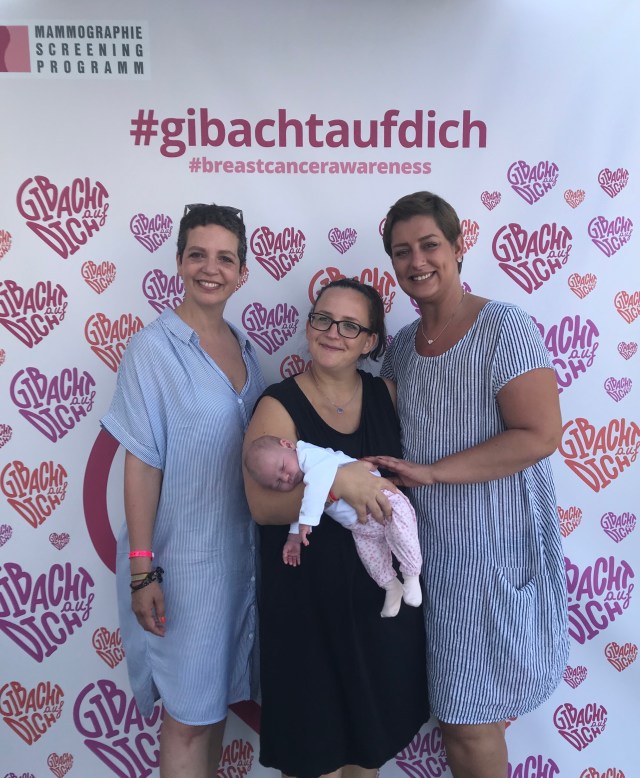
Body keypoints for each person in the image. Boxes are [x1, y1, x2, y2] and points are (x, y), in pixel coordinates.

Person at [370, 191, 569, 778]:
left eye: (430, 244)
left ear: (459, 246)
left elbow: (539, 434)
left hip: (491, 550)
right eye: (402, 251)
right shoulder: (401, 350)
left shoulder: (503, 326)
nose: (417, 261)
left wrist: (433, 473)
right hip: (425, 556)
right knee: (457, 717)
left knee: (471, 720)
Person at [101, 203, 265, 778]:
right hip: (182, 569)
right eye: (198, 255)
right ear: (178, 262)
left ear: (243, 272)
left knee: (212, 710)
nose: (210, 268)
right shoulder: (152, 350)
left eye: (225, 258)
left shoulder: (247, 350)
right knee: (189, 721)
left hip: (240, 564)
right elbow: (142, 465)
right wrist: (142, 570)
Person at [243, 278, 429, 778]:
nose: (332, 332)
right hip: (307, 617)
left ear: (370, 342)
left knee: (367, 758)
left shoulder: (388, 394)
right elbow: (262, 506)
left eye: (350, 325)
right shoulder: (277, 404)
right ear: (309, 326)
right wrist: (340, 483)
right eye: (323, 319)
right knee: (314, 759)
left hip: (379, 613)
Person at [244, 435, 423, 617]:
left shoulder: (308, 455)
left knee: (402, 534)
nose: (286, 477)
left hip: (384, 498)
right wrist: (294, 538)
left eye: (282, 467)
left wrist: (307, 521)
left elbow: (317, 486)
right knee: (372, 558)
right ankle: (391, 587)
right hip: (360, 525)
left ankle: (411, 575)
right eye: (278, 483)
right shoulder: (300, 476)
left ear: (288, 444)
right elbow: (305, 505)